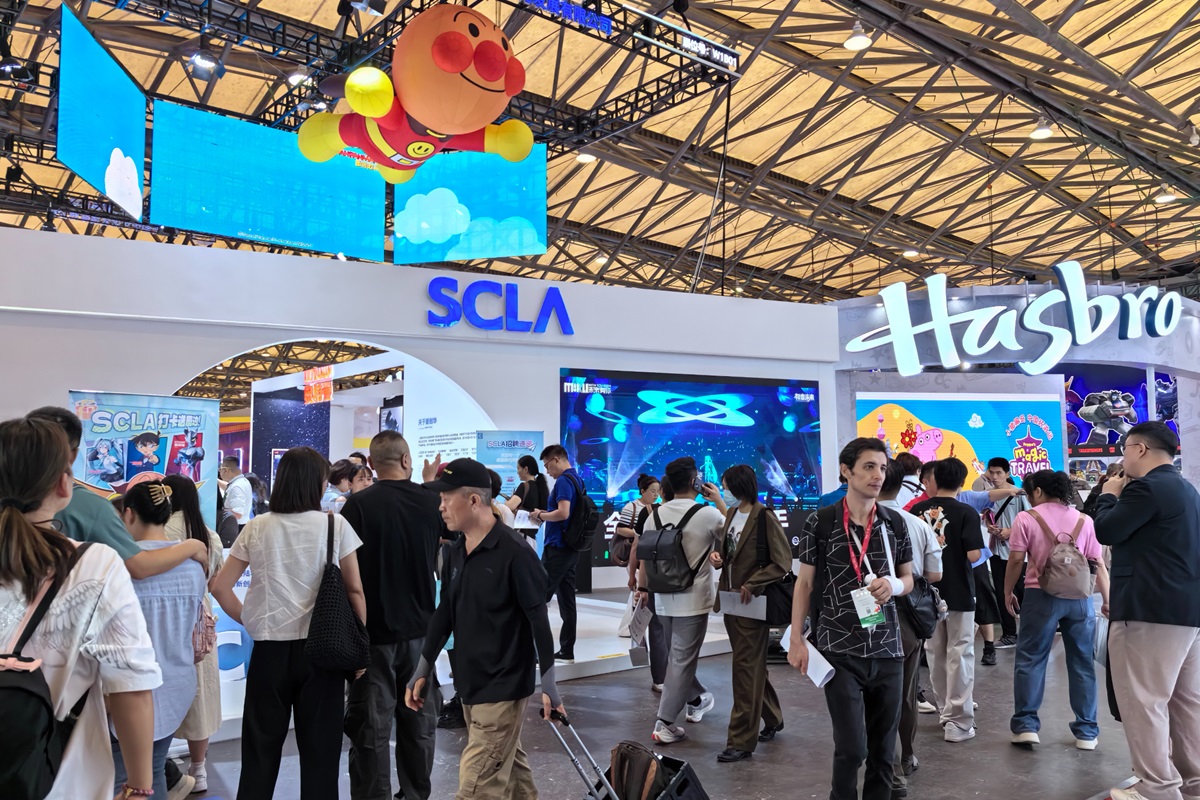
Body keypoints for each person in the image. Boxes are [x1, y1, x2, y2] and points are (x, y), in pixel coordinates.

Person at [0, 417, 162, 800]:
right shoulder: (94, 565)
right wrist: (139, 788)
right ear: (63, 484)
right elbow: (131, 687)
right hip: (60, 781)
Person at [211, 446, 366, 800]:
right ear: (316, 483)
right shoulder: (334, 524)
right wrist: (358, 648)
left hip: (269, 653)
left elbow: (220, 587)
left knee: (259, 754)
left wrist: (250, 620)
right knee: (321, 757)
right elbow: (355, 590)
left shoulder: (258, 526)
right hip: (324, 653)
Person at [406, 458, 563, 800]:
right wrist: (423, 667)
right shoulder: (455, 552)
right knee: (511, 775)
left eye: (447, 497)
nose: (441, 506)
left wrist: (550, 685)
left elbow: (538, 619)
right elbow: (445, 612)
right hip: (471, 683)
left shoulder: (516, 553)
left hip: (503, 685)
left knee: (476, 788)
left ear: (474, 500)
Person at [789, 438, 914, 800]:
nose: (878, 475)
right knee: (851, 749)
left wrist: (894, 585)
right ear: (846, 471)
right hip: (839, 649)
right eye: (869, 467)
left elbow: (909, 578)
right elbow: (805, 583)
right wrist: (796, 639)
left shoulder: (894, 523)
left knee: (883, 753)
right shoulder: (822, 522)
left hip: (889, 650)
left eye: (882, 468)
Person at [1094, 422, 1200, 800]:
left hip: (1147, 608)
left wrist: (1108, 496)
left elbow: (1107, 530)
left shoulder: (1146, 487)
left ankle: (1157, 788)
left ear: (1140, 449)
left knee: (1143, 700)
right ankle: (1192, 782)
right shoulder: (1187, 489)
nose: (1122, 458)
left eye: (1124, 449)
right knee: (1185, 701)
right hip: (1185, 610)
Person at [341, 431, 443, 800]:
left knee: (370, 729)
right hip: (421, 634)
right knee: (419, 725)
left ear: (370, 464)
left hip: (372, 635)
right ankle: (415, 795)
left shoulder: (356, 506)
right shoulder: (432, 502)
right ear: (406, 460)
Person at [25, 407, 210, 581]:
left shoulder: (17, 497)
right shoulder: (91, 508)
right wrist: (191, 546)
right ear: (72, 455)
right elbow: (140, 566)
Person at [1004, 469, 1109, 751]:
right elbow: (1097, 563)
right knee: (1082, 662)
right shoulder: (1085, 520)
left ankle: (1026, 726)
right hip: (1079, 598)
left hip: (1040, 596)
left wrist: (1007, 590)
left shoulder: (1026, 518)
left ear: (1037, 491)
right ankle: (1087, 732)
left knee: (1030, 658)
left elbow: (1016, 559)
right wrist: (1107, 599)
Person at [115, 481, 207, 800]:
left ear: (128, 514)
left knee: (121, 774)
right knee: (152, 768)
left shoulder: (118, 564)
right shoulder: (193, 566)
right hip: (177, 682)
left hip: (126, 688)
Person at [634, 457, 726, 745]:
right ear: (694, 481)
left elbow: (645, 557)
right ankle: (664, 723)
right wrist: (719, 500)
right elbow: (737, 535)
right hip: (694, 598)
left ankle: (697, 698)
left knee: (678, 659)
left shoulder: (654, 515)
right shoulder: (708, 514)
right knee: (681, 660)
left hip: (663, 597)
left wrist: (642, 588)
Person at [709, 464, 790, 763]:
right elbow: (732, 553)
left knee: (745, 668)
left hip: (752, 605)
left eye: (726, 486)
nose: (724, 491)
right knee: (750, 666)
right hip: (732, 603)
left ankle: (741, 740)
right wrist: (719, 558)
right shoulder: (732, 514)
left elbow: (782, 562)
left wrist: (753, 583)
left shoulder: (764, 516)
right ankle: (773, 717)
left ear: (739, 486)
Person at [878, 459, 942, 795]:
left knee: (869, 691)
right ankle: (904, 756)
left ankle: (881, 760)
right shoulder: (917, 523)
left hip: (866, 615)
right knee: (904, 691)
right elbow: (934, 574)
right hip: (908, 615)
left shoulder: (854, 522)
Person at [911, 457, 985, 743]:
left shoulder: (916, 511)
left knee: (935, 653)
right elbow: (973, 554)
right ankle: (959, 722)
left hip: (924, 594)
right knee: (960, 652)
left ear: (934, 479)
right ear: (962, 482)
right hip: (959, 592)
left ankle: (945, 710)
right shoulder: (966, 512)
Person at [162, 474, 226, 793]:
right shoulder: (208, 535)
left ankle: (157, 767)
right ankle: (198, 770)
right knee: (201, 693)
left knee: (158, 691)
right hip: (200, 621)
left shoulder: (157, 530)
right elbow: (215, 583)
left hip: (162, 618)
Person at [528, 444, 579, 663]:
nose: (547, 471)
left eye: (548, 465)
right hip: (570, 548)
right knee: (567, 600)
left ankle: (537, 653)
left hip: (558, 548)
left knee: (538, 597)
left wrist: (540, 515)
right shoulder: (577, 479)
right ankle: (566, 650)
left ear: (556, 459)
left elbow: (563, 513)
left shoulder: (564, 481)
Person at [981, 457, 1031, 649]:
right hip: (996, 551)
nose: (994, 477)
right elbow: (986, 516)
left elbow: (1030, 519)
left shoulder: (1019, 494)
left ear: (1007, 474)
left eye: (999, 473)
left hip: (1018, 552)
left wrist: (1011, 531)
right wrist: (990, 526)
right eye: (991, 472)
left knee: (1023, 593)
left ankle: (1030, 632)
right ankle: (1009, 633)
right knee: (1003, 593)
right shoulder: (988, 495)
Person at [506, 455, 548, 544]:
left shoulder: (524, 486)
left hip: (521, 537)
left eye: (518, 468)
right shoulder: (541, 488)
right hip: (532, 538)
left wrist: (507, 501)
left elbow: (509, 507)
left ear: (526, 469)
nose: (517, 472)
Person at [220, 455, 254, 528]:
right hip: (240, 525)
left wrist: (219, 511)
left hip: (235, 527)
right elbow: (229, 489)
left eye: (220, 470)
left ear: (226, 470)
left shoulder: (237, 487)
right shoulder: (242, 482)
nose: (220, 473)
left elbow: (237, 513)